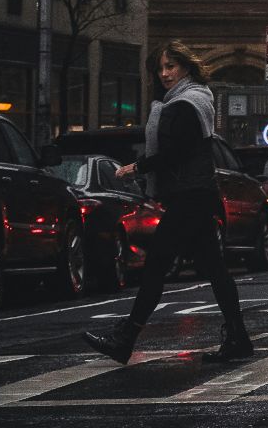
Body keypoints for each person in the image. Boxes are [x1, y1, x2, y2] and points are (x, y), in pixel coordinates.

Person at [83, 42, 252, 364]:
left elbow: (177, 152)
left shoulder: (182, 105)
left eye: (170, 66)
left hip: (189, 197)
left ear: (185, 67)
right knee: (215, 269)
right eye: (160, 68)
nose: (164, 74)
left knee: (157, 266)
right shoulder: (200, 99)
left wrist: (138, 167)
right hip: (200, 194)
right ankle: (238, 336)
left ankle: (125, 338)